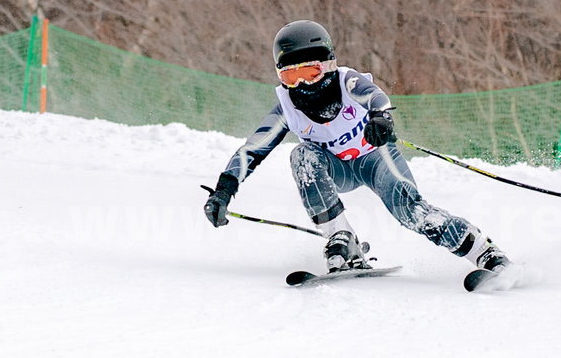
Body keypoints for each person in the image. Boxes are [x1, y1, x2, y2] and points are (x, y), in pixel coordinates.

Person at [204, 20, 509, 277]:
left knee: (408, 209)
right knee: (302, 156)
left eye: (310, 73)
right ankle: (341, 236)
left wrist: (381, 116)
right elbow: (251, 150)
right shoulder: (287, 108)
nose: (303, 86)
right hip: (338, 170)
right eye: (291, 77)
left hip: (375, 158)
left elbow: (374, 95)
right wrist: (224, 190)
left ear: (328, 65)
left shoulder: (346, 81)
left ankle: (483, 251)